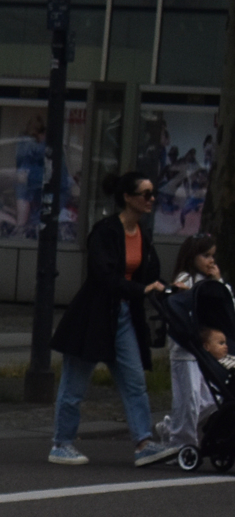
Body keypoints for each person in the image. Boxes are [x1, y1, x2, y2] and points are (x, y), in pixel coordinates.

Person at [50, 173, 175, 466]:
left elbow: (150, 273)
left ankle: (143, 442)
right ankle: (62, 443)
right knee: (75, 384)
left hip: (123, 315)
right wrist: (141, 289)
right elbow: (103, 275)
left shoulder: (142, 233)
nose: (151, 199)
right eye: (145, 194)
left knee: (134, 381)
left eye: (152, 193)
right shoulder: (105, 231)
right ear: (128, 198)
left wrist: (168, 287)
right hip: (93, 316)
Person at [162, 235, 229, 451]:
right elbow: (178, 304)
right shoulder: (187, 279)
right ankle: (181, 442)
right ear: (192, 256)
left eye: (213, 256)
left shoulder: (211, 283)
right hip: (185, 348)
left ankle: (172, 427)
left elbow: (228, 306)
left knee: (210, 398)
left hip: (205, 350)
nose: (211, 261)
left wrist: (219, 282)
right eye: (205, 255)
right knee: (188, 398)